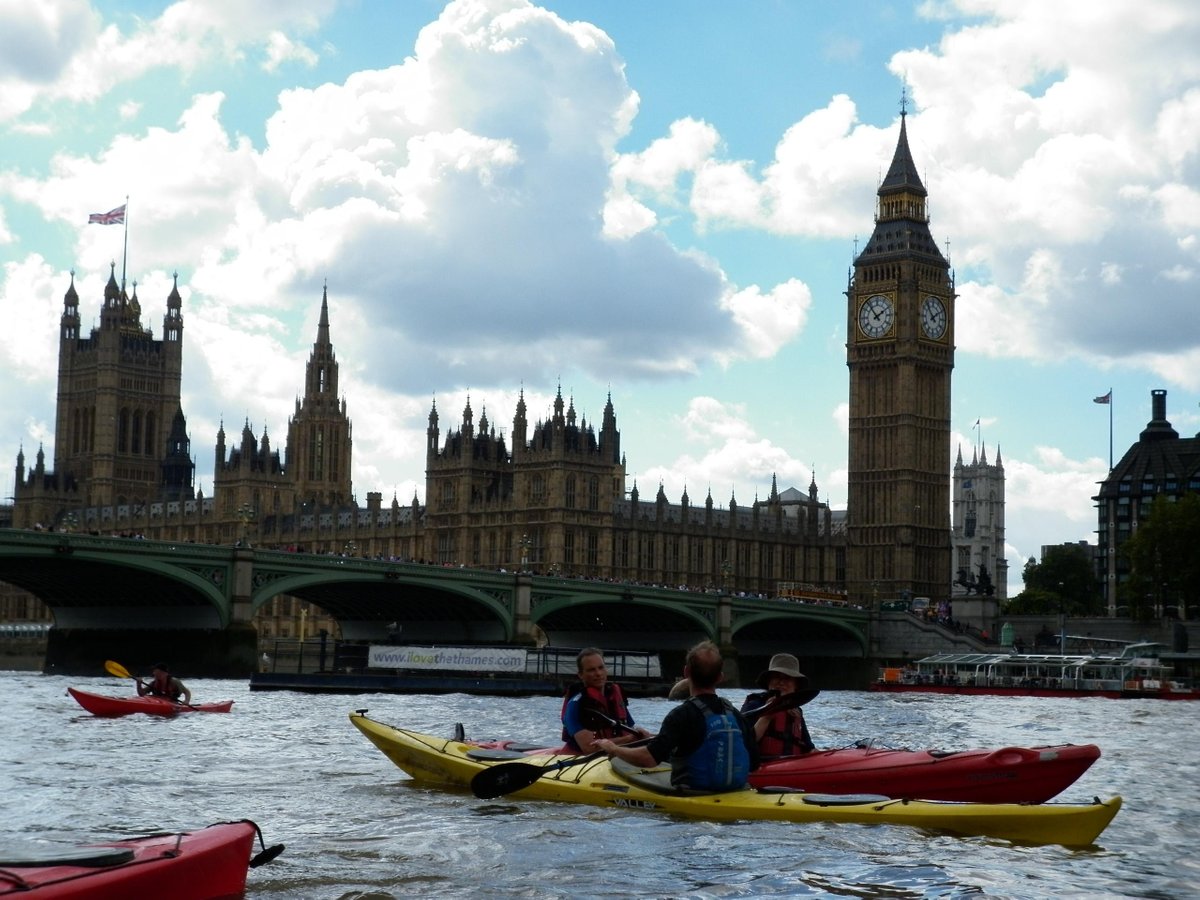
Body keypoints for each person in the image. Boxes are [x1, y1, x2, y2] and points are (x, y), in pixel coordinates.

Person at [595, 640, 759, 791]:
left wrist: (614, 749)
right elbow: (753, 763)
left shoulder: (681, 715)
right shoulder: (736, 715)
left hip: (692, 795)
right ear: (720, 677)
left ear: (686, 672)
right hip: (737, 792)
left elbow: (649, 759)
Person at [561, 647, 650, 752]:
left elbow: (631, 727)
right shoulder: (575, 705)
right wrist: (629, 739)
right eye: (591, 670)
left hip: (617, 754)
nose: (598, 673)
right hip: (581, 758)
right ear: (581, 675)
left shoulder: (615, 696)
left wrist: (639, 732)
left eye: (601, 667)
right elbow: (588, 747)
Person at [741, 652, 819, 758]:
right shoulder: (754, 704)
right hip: (762, 766)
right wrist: (767, 715)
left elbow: (808, 747)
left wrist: (816, 753)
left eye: (787, 678)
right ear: (768, 682)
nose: (781, 683)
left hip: (792, 767)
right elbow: (742, 744)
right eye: (777, 677)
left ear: (796, 685)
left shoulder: (797, 712)